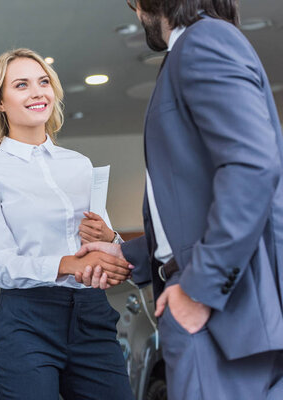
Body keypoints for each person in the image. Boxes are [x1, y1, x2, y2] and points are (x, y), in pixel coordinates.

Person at [77, 1, 283, 399]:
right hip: (220, 308)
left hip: (218, 313)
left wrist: (199, 291)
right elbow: (192, 201)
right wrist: (127, 255)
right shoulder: (197, 46)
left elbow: (252, 167)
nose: (136, 15)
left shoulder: (204, 41)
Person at [0, 48, 135, 399]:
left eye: (43, 82)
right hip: (29, 321)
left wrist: (109, 236)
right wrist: (68, 264)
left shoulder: (78, 164)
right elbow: (1, 265)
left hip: (92, 315)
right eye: (22, 85)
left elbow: (102, 241)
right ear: (0, 102)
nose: (37, 92)